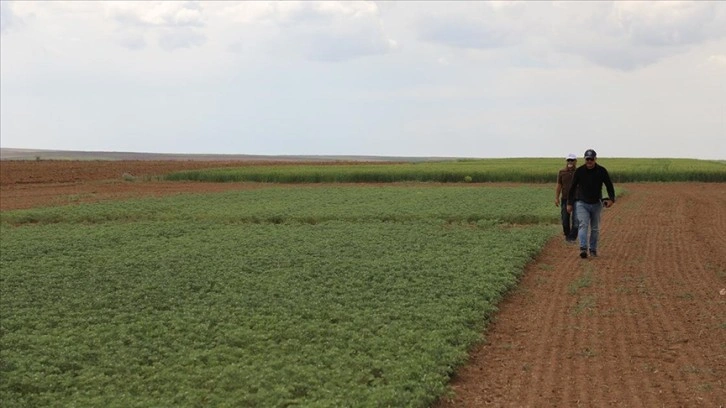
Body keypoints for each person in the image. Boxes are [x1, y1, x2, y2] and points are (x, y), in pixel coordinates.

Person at [566, 149, 615, 259]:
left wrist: (612, 199)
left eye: (591, 159)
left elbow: (609, 185)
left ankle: (593, 249)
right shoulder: (579, 171)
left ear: (595, 159)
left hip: (596, 203)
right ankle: (583, 249)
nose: (589, 161)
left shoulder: (602, 171)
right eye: (587, 159)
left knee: (595, 228)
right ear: (584, 159)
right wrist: (569, 203)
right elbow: (572, 188)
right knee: (583, 225)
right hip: (581, 203)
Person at [555, 153, 579, 242]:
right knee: (565, 219)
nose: (570, 162)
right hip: (565, 199)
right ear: (566, 161)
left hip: (577, 199)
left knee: (576, 220)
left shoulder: (579, 172)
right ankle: (567, 234)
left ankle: (572, 238)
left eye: (572, 160)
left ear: (575, 161)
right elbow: (559, 185)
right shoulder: (562, 172)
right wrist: (556, 198)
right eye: (569, 160)